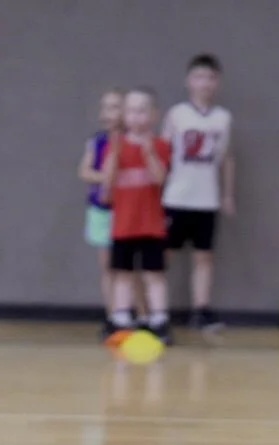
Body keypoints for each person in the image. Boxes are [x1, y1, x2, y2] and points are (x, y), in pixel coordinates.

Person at [161, 54, 234, 333]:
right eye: (199, 76)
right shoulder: (177, 114)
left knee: (204, 256)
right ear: (188, 80)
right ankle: (157, 311)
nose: (204, 83)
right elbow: (163, 154)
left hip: (206, 198)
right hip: (176, 196)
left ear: (217, 82)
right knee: (164, 255)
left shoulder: (222, 118)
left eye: (210, 77)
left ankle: (201, 309)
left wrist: (227, 194)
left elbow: (227, 157)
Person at [101, 88, 172, 344]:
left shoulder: (161, 145)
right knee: (123, 274)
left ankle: (159, 319)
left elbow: (159, 178)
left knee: (154, 275)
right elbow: (107, 187)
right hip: (124, 225)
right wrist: (114, 153)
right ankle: (120, 318)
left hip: (151, 225)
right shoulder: (115, 145)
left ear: (153, 115)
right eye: (130, 110)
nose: (136, 116)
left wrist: (149, 151)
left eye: (142, 110)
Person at [77, 88, 126, 336]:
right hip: (101, 210)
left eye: (116, 106)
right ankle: (112, 315)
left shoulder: (131, 142)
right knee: (108, 266)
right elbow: (84, 171)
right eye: (106, 107)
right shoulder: (96, 141)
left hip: (126, 211)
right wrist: (104, 178)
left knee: (127, 267)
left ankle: (134, 314)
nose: (110, 112)